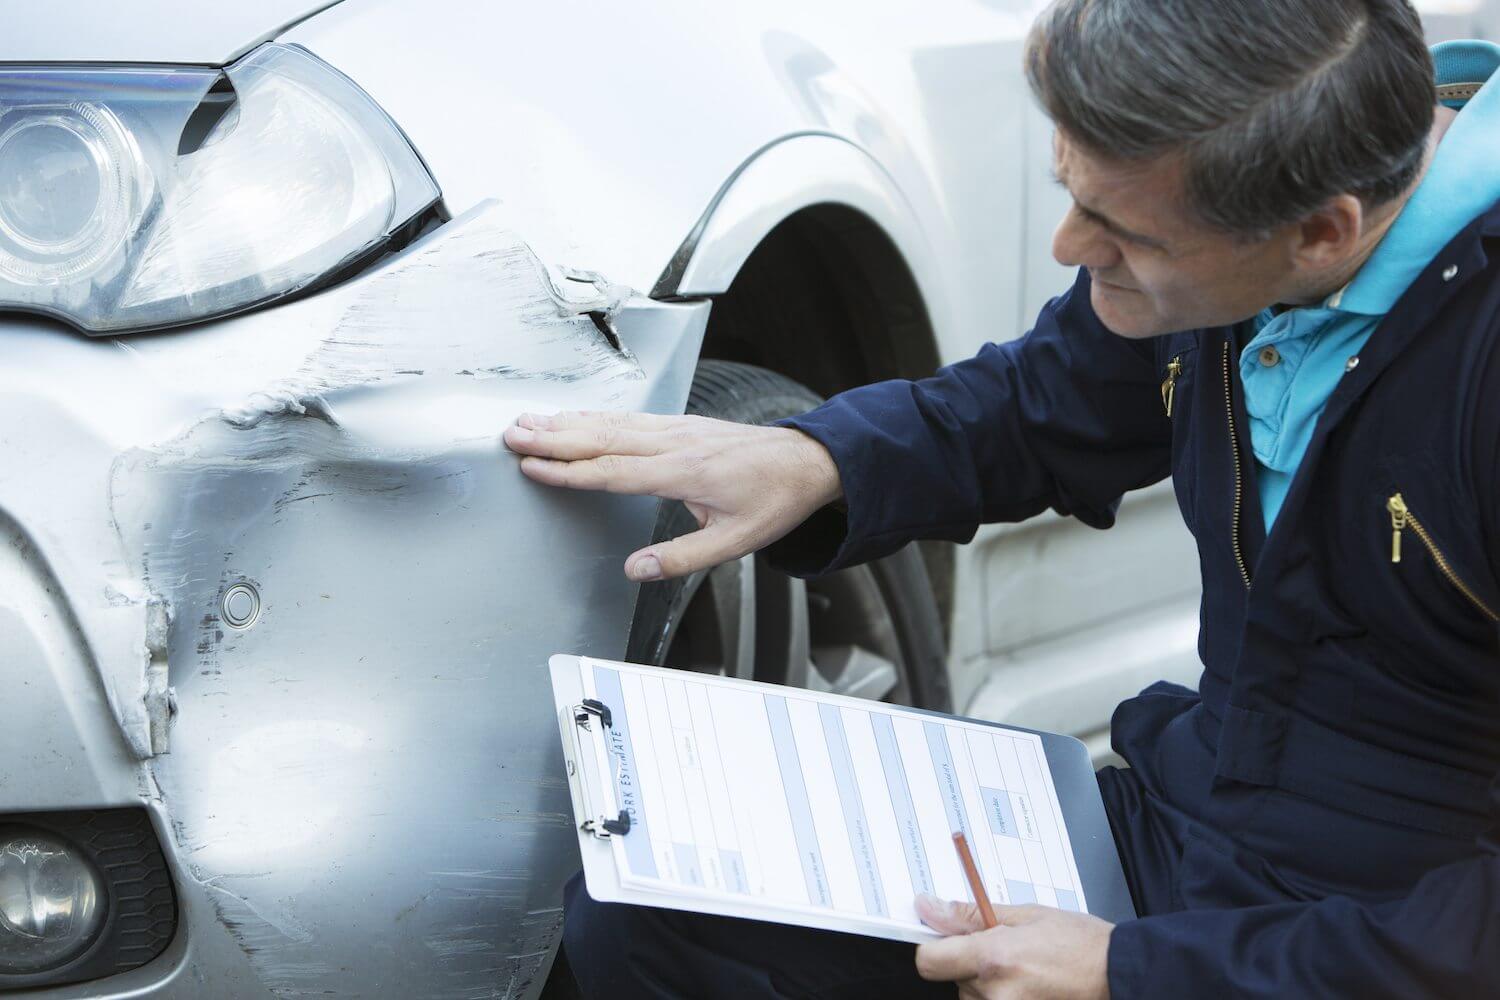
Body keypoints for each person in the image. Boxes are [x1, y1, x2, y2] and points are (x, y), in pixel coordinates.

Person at [503, 0, 1500, 995]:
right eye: (1070, 194)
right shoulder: (1240, 234)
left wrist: (1137, 971)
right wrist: (814, 460)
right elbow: (1047, 401)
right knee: (661, 903)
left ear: (1321, 233)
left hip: (1387, 930)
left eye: (1118, 231)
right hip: (1188, 829)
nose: (1069, 246)